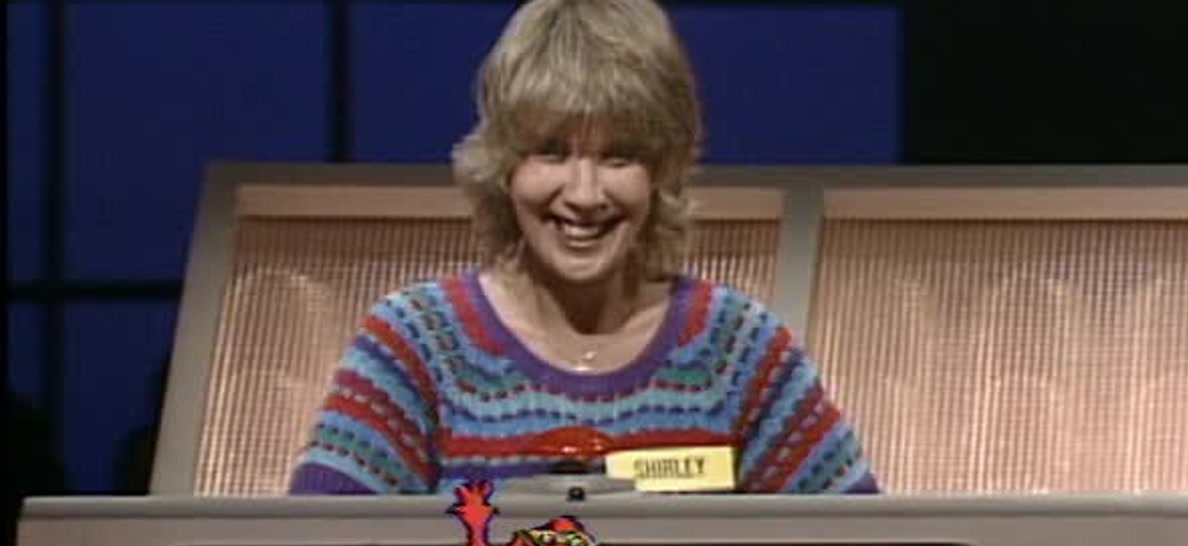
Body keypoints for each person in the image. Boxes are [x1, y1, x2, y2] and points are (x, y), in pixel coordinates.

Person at [289, 0, 877, 495]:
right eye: (552, 153)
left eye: (619, 157)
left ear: (661, 171)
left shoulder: (734, 350)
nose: (585, 194)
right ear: (504, 166)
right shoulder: (418, 346)